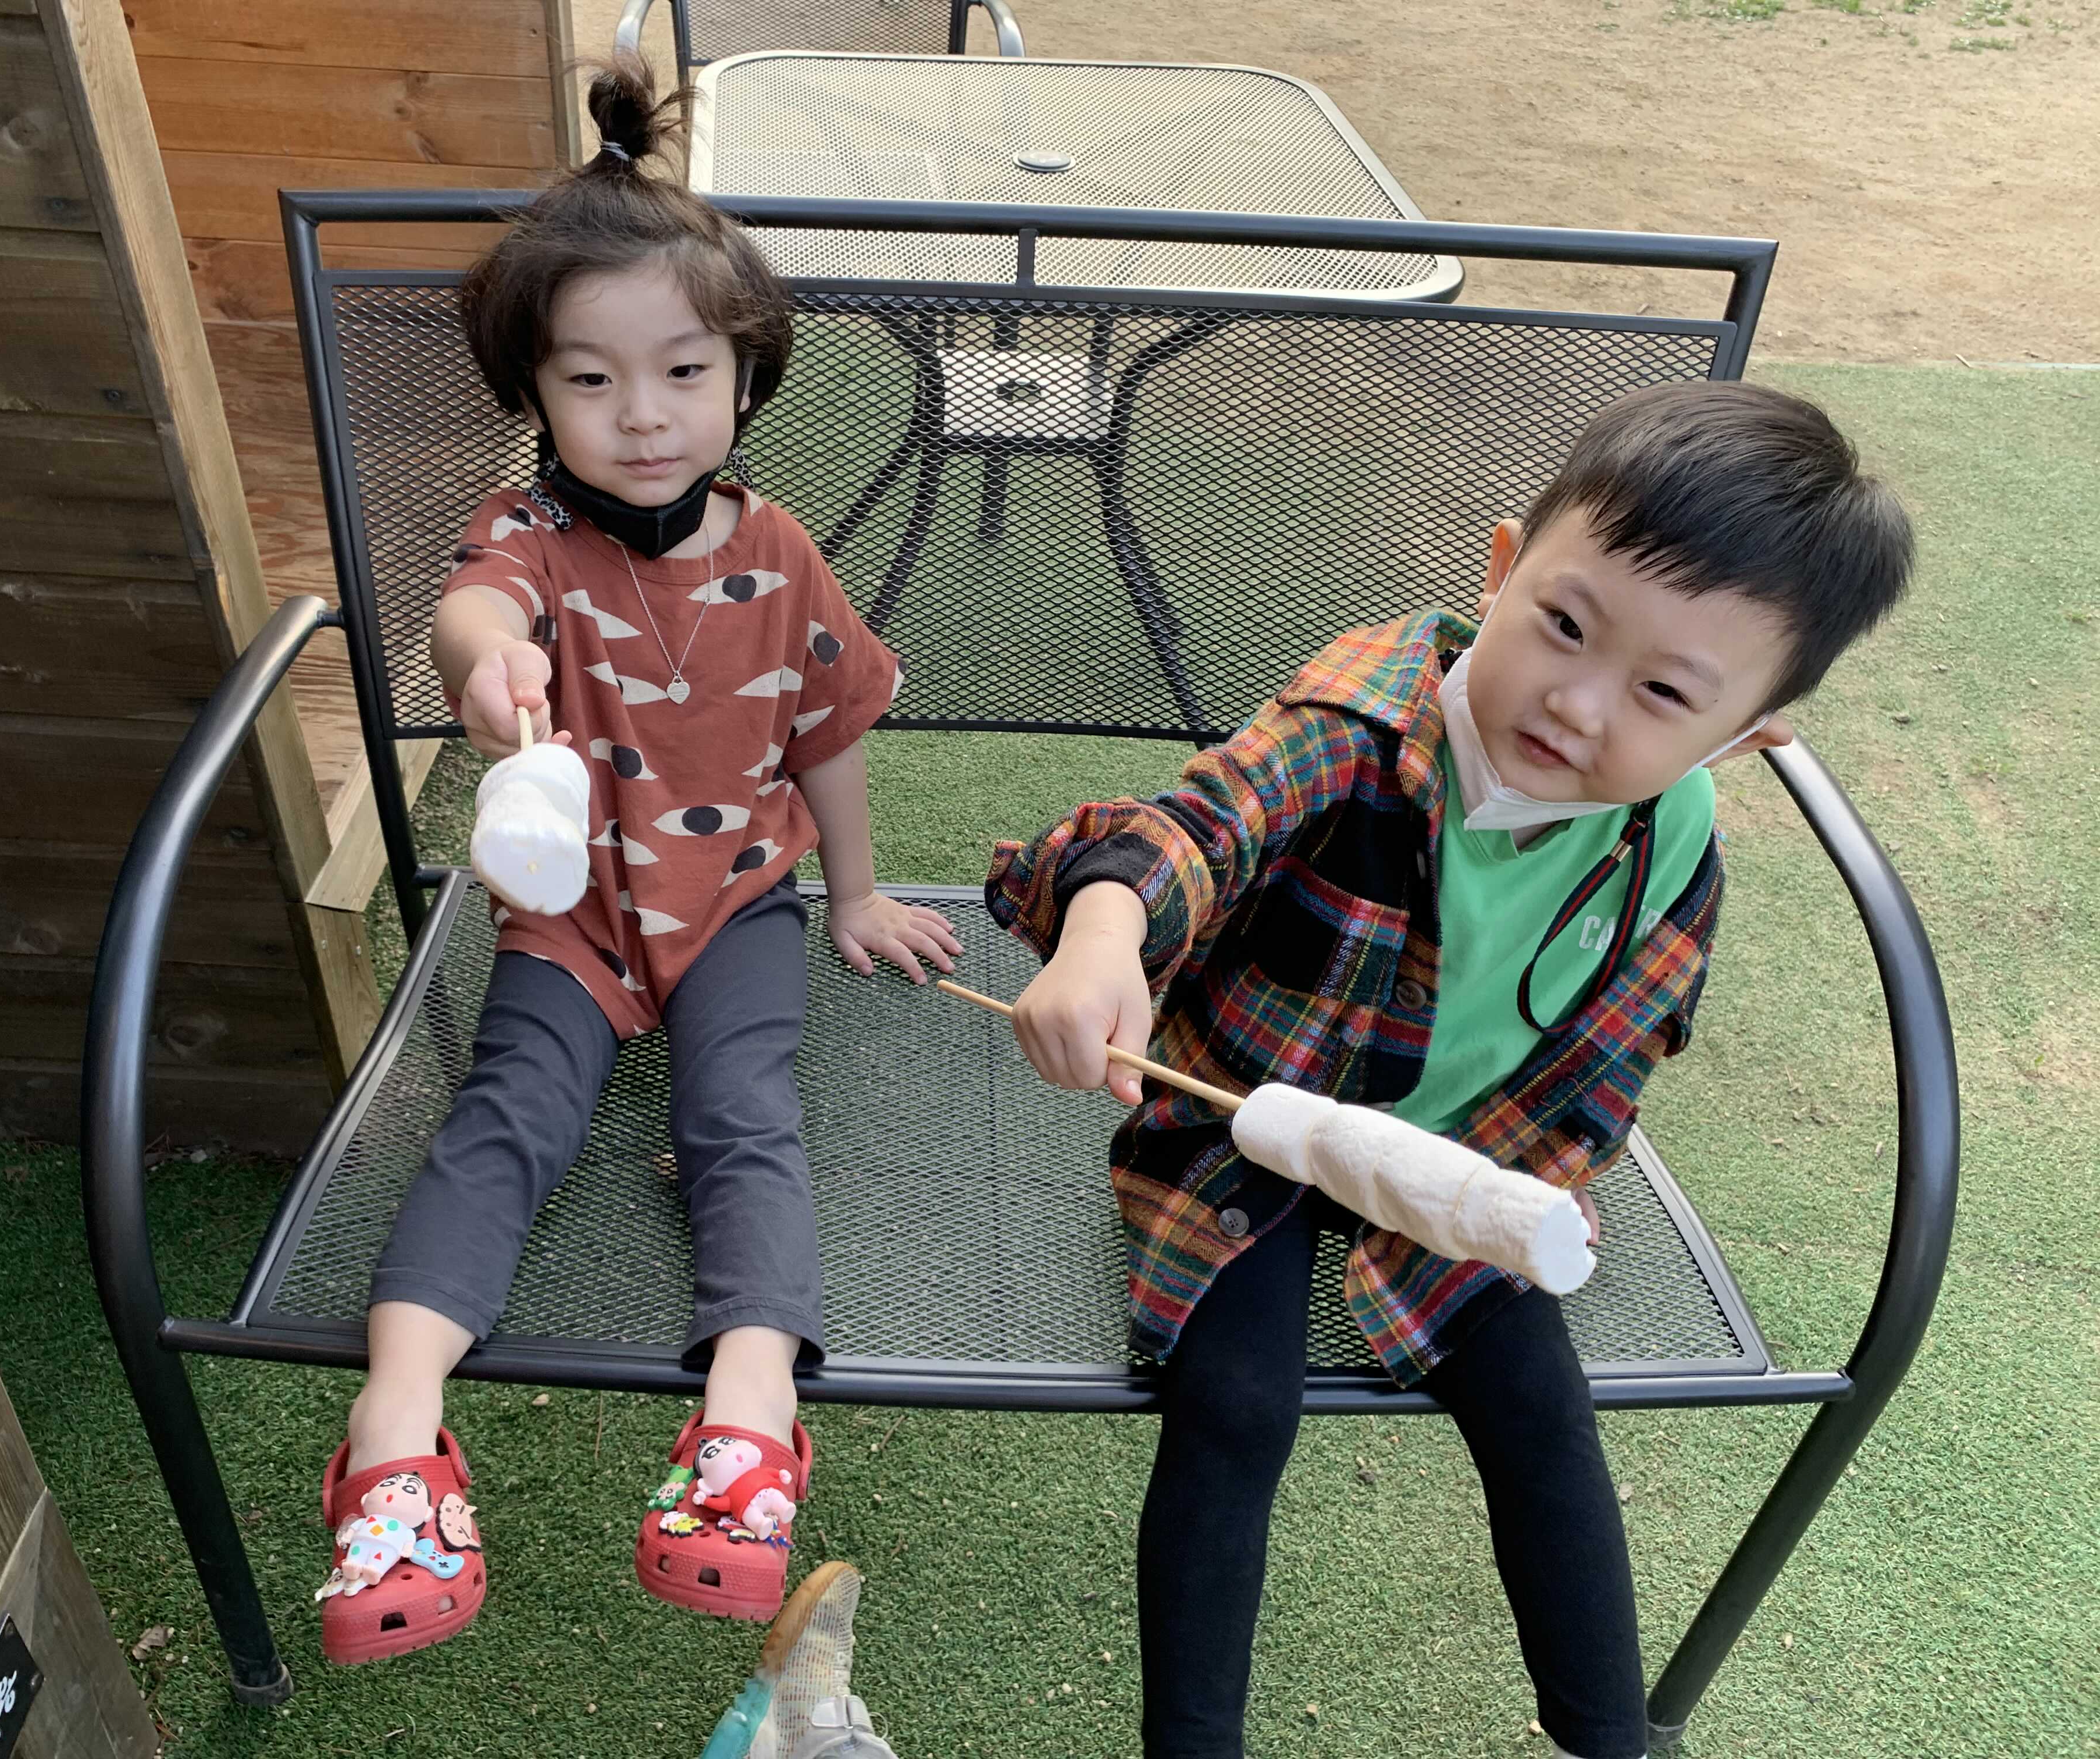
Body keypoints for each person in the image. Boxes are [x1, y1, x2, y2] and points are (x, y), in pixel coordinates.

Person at [985, 381, 1913, 1759]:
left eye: (1663, 693)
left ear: (1742, 737)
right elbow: (1196, 828)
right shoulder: (1358, 724)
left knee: (1542, 1406)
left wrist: (1534, 1187)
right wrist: (1108, 929)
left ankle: (1610, 1740)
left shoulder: (1669, 841)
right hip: (1243, 1129)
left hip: (1460, 1163)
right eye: (1565, 625)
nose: (1578, 702)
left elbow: (1617, 1046)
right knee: (1237, 1407)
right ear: (1502, 569)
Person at [318, 54, 960, 1666]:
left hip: (741, 901)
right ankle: (393, 1441)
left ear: (745, 375)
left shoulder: (780, 550)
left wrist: (857, 892)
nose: (644, 413)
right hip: (575, 920)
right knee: (504, 1124)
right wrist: (486, 667)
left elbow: (828, 731)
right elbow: (477, 608)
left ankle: (748, 1426)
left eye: (683, 370)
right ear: (536, 396)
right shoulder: (526, 538)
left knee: (741, 1120)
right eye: (592, 380)